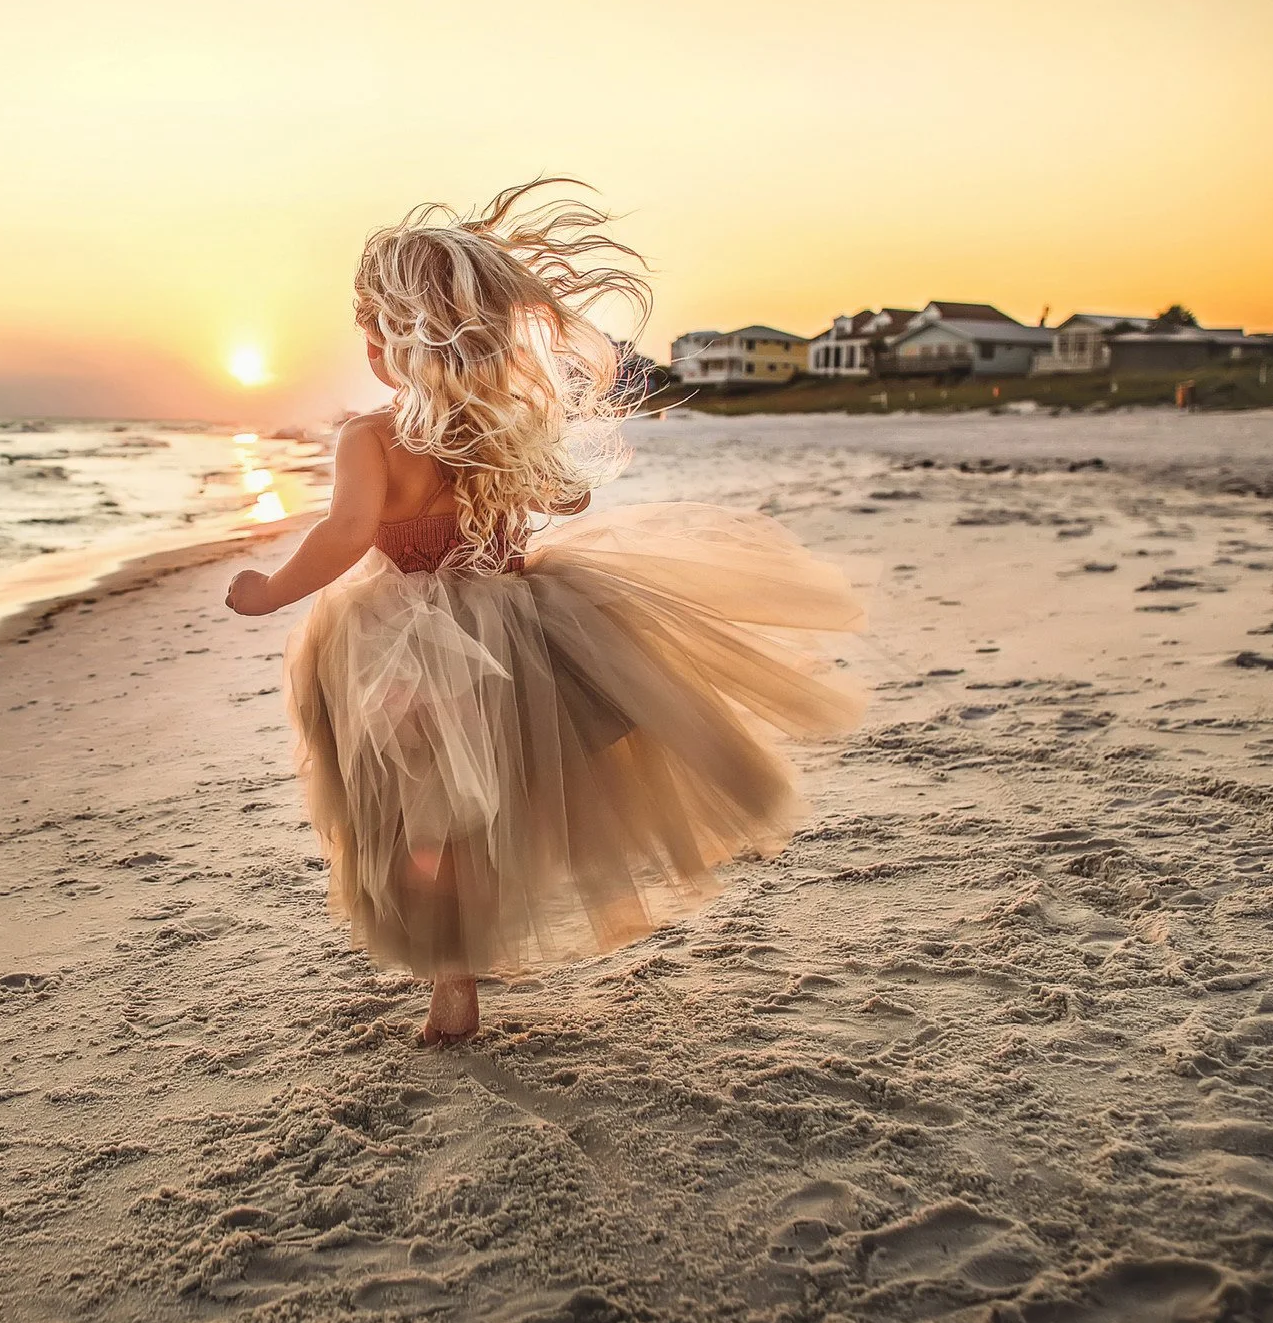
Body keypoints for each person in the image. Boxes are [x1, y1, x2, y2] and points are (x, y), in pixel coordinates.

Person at [225, 181, 864, 1044]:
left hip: (410, 646)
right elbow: (562, 501)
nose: (372, 348)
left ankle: (452, 975)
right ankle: (480, 935)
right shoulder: (498, 425)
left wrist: (269, 590)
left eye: (375, 330)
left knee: (428, 809)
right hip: (523, 623)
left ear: (397, 341)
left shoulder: (368, 438)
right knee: (506, 785)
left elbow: (344, 535)